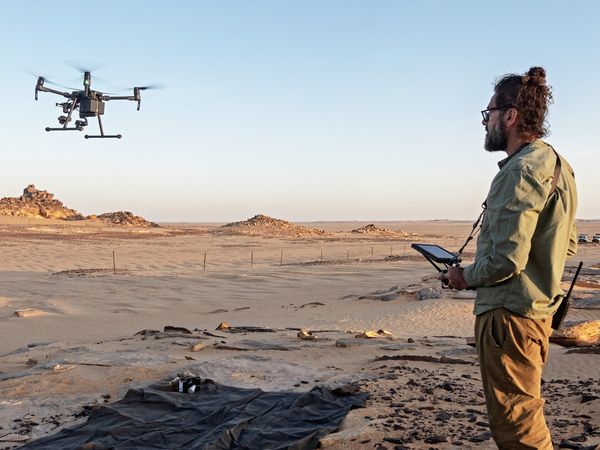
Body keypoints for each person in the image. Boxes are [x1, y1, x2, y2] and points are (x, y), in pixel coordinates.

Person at [441, 67, 578, 449]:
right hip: (535, 313)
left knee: (517, 427)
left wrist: (463, 276)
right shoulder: (558, 166)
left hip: (509, 319)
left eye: (489, 115)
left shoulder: (518, 172)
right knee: (524, 414)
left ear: (511, 115)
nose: (486, 124)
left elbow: (505, 261)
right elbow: (566, 246)